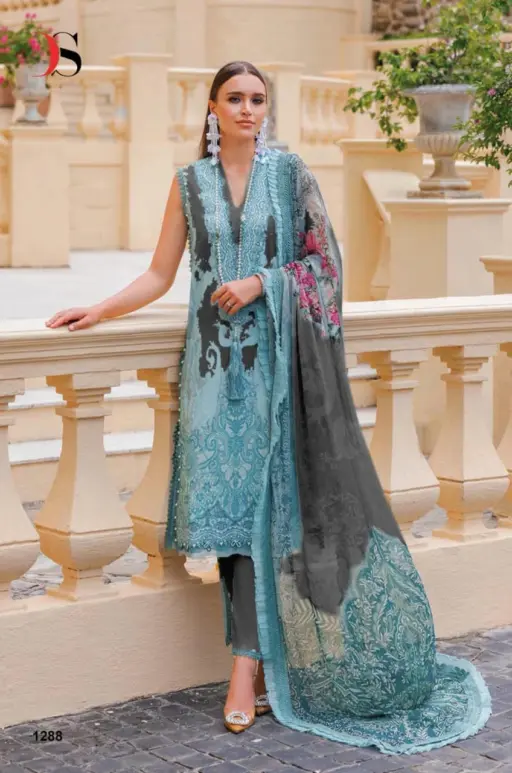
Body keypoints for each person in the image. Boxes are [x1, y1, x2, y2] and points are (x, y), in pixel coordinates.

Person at [46, 60, 491, 753]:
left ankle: (245, 666)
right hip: (211, 372)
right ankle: (252, 661)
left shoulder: (290, 176)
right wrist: (98, 309)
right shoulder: (189, 183)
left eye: (257, 99)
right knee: (231, 519)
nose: (247, 109)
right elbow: (161, 273)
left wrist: (261, 282)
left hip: (279, 370)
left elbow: (326, 265)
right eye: (235, 98)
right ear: (213, 108)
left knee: (266, 509)